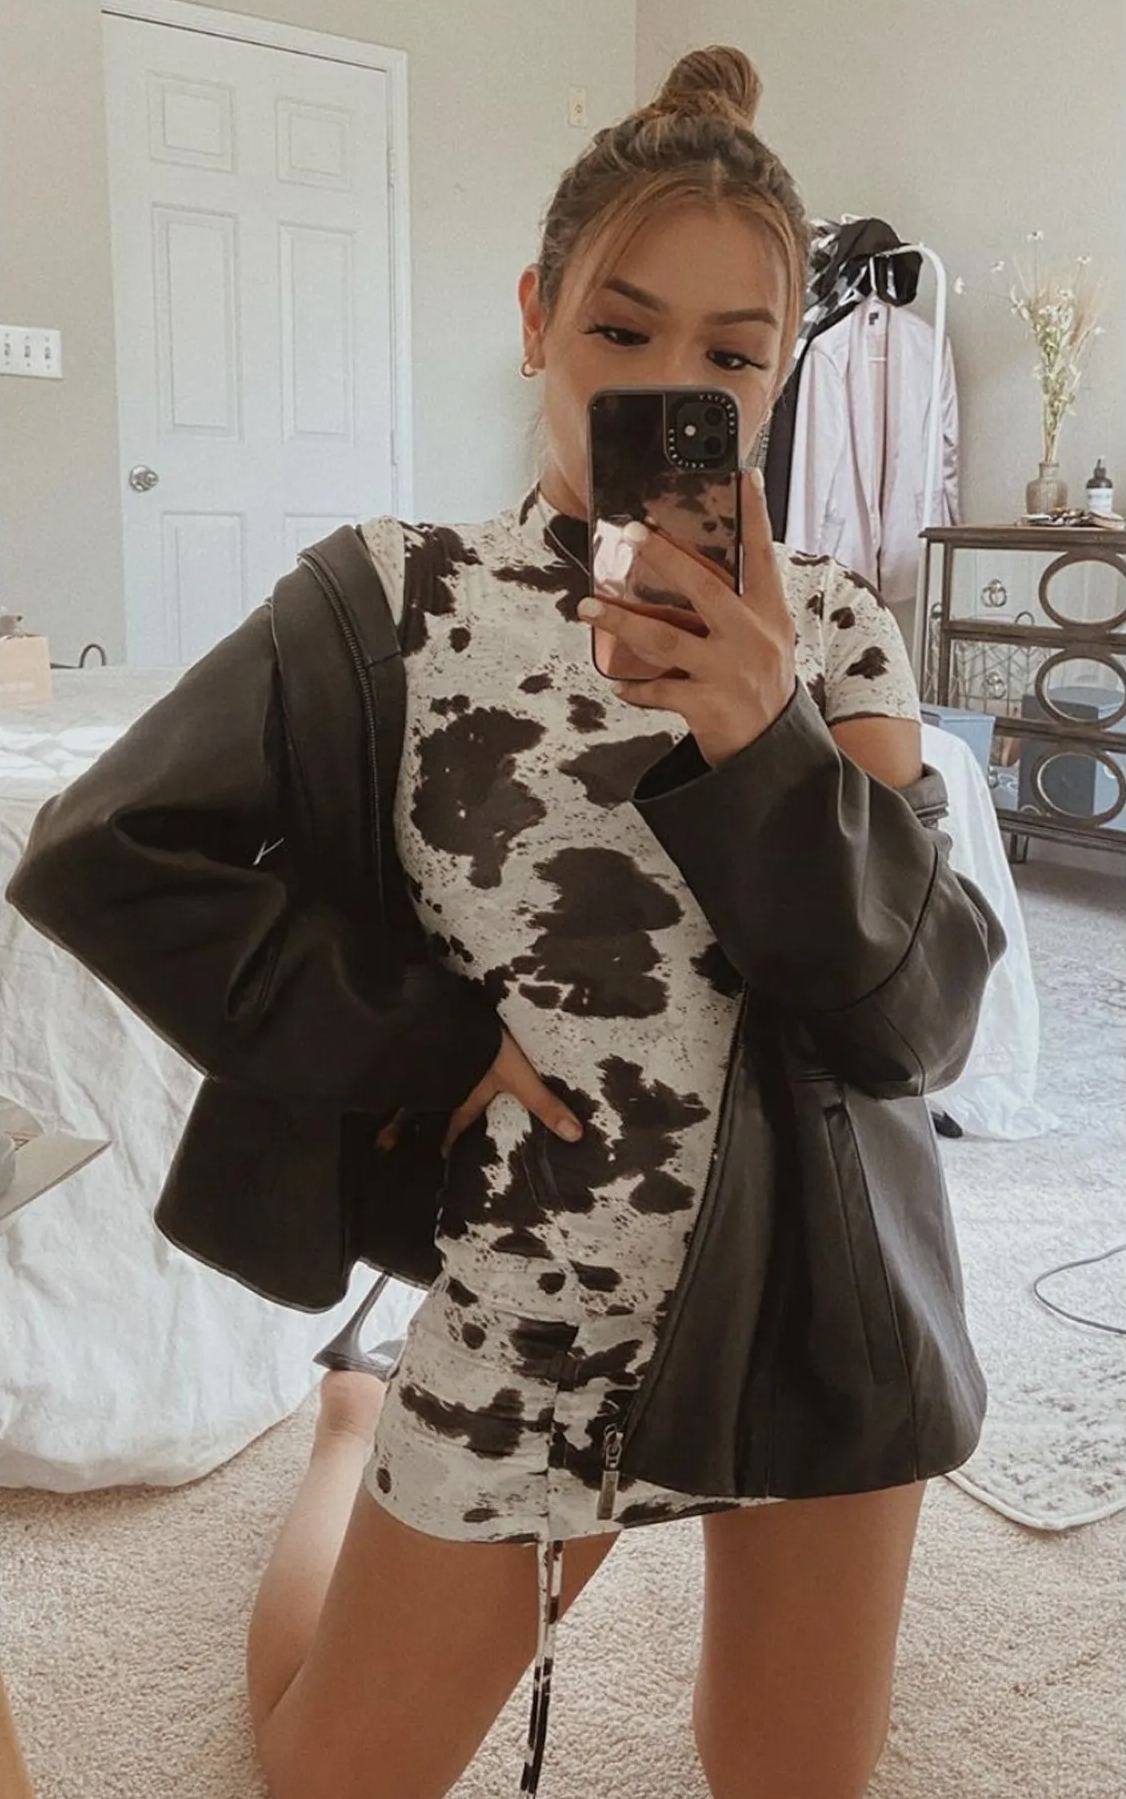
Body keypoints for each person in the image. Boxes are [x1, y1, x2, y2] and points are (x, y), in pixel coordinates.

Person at [7, 44, 1005, 1799]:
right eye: (621, 329)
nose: (672, 384)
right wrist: (422, 1042)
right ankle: (349, 1430)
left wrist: (760, 731)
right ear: (537, 318)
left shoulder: (836, 626)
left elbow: (909, 1021)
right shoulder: (390, 599)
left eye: (731, 354)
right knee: (328, 1778)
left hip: (817, 1294)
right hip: (540, 1279)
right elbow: (106, 849)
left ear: (779, 376)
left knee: (788, 1781)